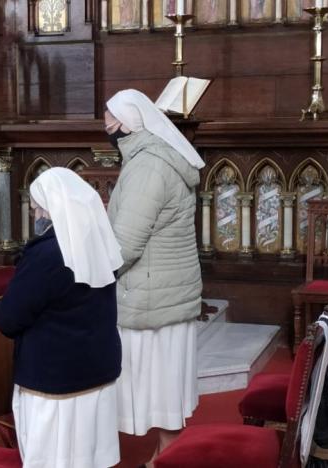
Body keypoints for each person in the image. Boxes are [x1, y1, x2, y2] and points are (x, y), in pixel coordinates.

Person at [0, 167, 124, 468]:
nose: (35, 214)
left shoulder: (47, 255)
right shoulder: (101, 243)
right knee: (90, 458)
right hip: (98, 373)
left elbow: (8, 318)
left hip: (54, 382)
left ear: (52, 209)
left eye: (38, 207)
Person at [104, 89, 205, 467]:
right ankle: (164, 456)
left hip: (151, 295)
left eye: (110, 121)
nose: (107, 128)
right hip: (165, 292)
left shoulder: (148, 166)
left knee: (158, 388)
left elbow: (125, 243)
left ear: (129, 124)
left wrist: (90, 273)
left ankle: (165, 458)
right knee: (167, 389)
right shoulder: (159, 156)